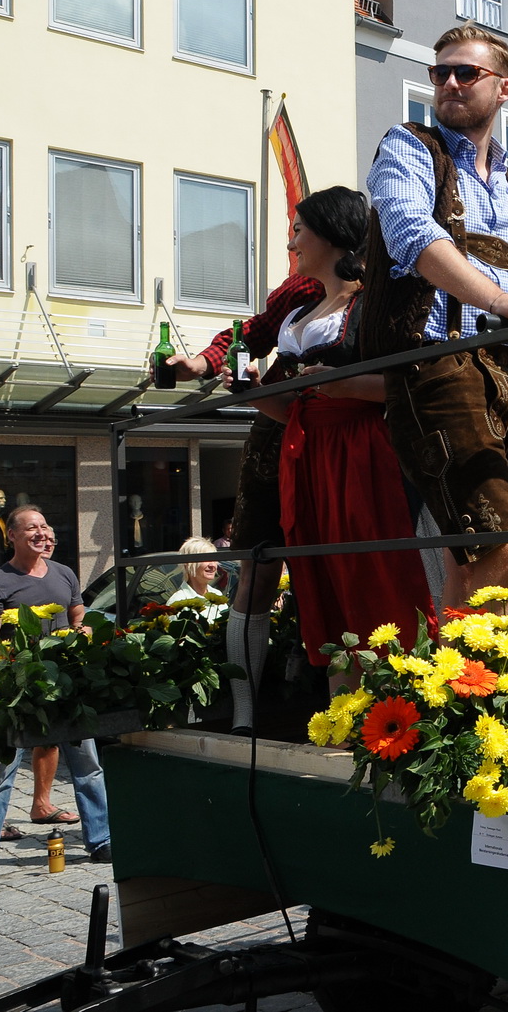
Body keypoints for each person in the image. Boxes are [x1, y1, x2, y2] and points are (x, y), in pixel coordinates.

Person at [363, 24, 508, 600]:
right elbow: (411, 233)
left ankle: (453, 684)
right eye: (440, 72)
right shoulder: (409, 145)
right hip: (438, 365)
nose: (449, 83)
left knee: (477, 558)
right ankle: (465, 682)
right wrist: (501, 299)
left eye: (466, 72)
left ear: (503, 88)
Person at [239, 187, 434, 690]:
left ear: (331, 233)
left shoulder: (374, 304)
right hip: (307, 455)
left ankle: (397, 704)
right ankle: (343, 717)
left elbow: (415, 382)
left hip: (363, 452)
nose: (292, 243)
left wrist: (347, 385)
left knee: (371, 574)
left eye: (299, 231)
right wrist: (254, 393)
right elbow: (295, 411)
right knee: (322, 578)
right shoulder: (302, 313)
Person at [166, 271, 323, 733]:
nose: (294, 241)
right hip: (274, 435)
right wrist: (203, 362)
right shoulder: (302, 290)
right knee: (256, 570)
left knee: (331, 565)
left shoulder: (376, 287)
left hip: (332, 438)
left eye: (301, 230)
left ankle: (329, 700)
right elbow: (246, 333)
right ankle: (245, 712)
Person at [0, 507, 110, 880]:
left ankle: (100, 840)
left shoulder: (64, 573)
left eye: (46, 526)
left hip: (68, 688)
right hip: (19, 693)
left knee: (88, 767)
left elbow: (78, 614)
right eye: (32, 527)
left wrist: (82, 633)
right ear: (11, 536)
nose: (42, 532)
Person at [166, 536, 225, 618]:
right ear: (188, 564)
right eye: (205, 559)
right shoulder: (177, 601)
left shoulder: (217, 595)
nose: (212, 565)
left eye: (214, 559)